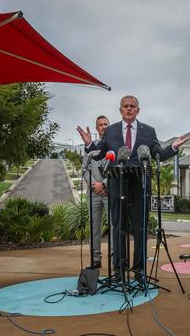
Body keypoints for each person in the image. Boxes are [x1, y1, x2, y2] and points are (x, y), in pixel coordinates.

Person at [77, 95, 189, 279]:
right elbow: (99, 155)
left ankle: (139, 271)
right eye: (125, 106)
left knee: (140, 229)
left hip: (140, 186)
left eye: (132, 106)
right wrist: (89, 144)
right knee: (118, 228)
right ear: (120, 110)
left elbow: (157, 153)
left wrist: (173, 147)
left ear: (138, 110)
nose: (129, 109)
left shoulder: (149, 131)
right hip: (116, 185)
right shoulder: (110, 131)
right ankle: (119, 272)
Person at [81, 115, 110, 269]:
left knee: (114, 225)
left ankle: (115, 258)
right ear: (97, 128)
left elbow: (117, 168)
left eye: (106, 124)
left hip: (110, 193)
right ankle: (95, 258)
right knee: (94, 227)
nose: (103, 127)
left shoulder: (115, 145)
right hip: (93, 194)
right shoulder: (90, 146)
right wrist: (95, 185)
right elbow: (84, 170)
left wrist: (104, 184)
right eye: (100, 125)